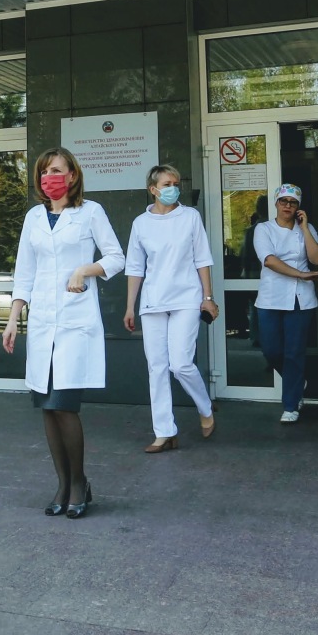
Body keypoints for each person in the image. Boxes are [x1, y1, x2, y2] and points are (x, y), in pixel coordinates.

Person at [2, 148, 123, 518]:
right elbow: (25, 271)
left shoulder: (90, 212)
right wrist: (13, 317)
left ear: (72, 175)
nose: (48, 178)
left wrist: (84, 270)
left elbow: (117, 257)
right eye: (43, 172)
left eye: (55, 170)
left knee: (64, 404)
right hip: (42, 322)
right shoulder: (34, 217)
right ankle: (63, 482)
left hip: (75, 322)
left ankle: (79, 482)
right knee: (47, 408)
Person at [123, 165, 218, 453]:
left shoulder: (190, 216)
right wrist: (130, 307)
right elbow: (135, 267)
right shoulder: (141, 223)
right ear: (153, 189)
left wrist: (208, 297)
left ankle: (205, 406)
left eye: (176, 183)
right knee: (157, 367)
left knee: (180, 364)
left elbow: (202, 259)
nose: (173, 188)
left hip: (187, 298)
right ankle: (164, 432)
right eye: (167, 184)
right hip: (153, 301)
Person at [253, 184, 318, 423]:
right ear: (276, 203)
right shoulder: (264, 229)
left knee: (294, 352)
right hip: (271, 297)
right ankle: (296, 381)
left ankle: (291, 405)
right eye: (283, 201)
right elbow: (269, 260)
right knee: (271, 350)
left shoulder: (307, 229)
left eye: (293, 203)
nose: (288, 206)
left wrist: (304, 228)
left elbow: (317, 259)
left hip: (300, 299)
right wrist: (300, 274)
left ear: (298, 207)